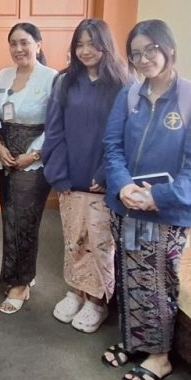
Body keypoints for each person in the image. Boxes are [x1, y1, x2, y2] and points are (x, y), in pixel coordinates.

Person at [102, 19, 191, 380]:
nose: (143, 58)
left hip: (169, 211)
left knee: (156, 278)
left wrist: (158, 197)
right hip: (128, 206)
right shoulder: (129, 96)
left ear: (168, 49)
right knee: (129, 271)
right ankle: (138, 342)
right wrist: (121, 187)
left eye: (151, 49)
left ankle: (160, 356)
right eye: (136, 53)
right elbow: (112, 147)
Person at [41, 19, 130, 333]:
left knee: (100, 244)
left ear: (105, 45)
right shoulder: (64, 82)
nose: (86, 50)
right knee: (73, 240)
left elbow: (124, 137)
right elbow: (54, 132)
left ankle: (97, 301)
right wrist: (60, 176)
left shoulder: (122, 85)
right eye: (80, 44)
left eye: (92, 43)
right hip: (70, 179)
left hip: (102, 182)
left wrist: (106, 173)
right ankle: (76, 292)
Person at [0, 22, 58, 314]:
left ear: (38, 45)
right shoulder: (3, 75)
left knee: (26, 221)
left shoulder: (51, 78)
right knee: (9, 217)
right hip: (6, 156)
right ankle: (12, 274)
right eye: (13, 43)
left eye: (25, 42)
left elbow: (57, 125)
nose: (19, 49)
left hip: (34, 159)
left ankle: (22, 283)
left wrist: (32, 155)